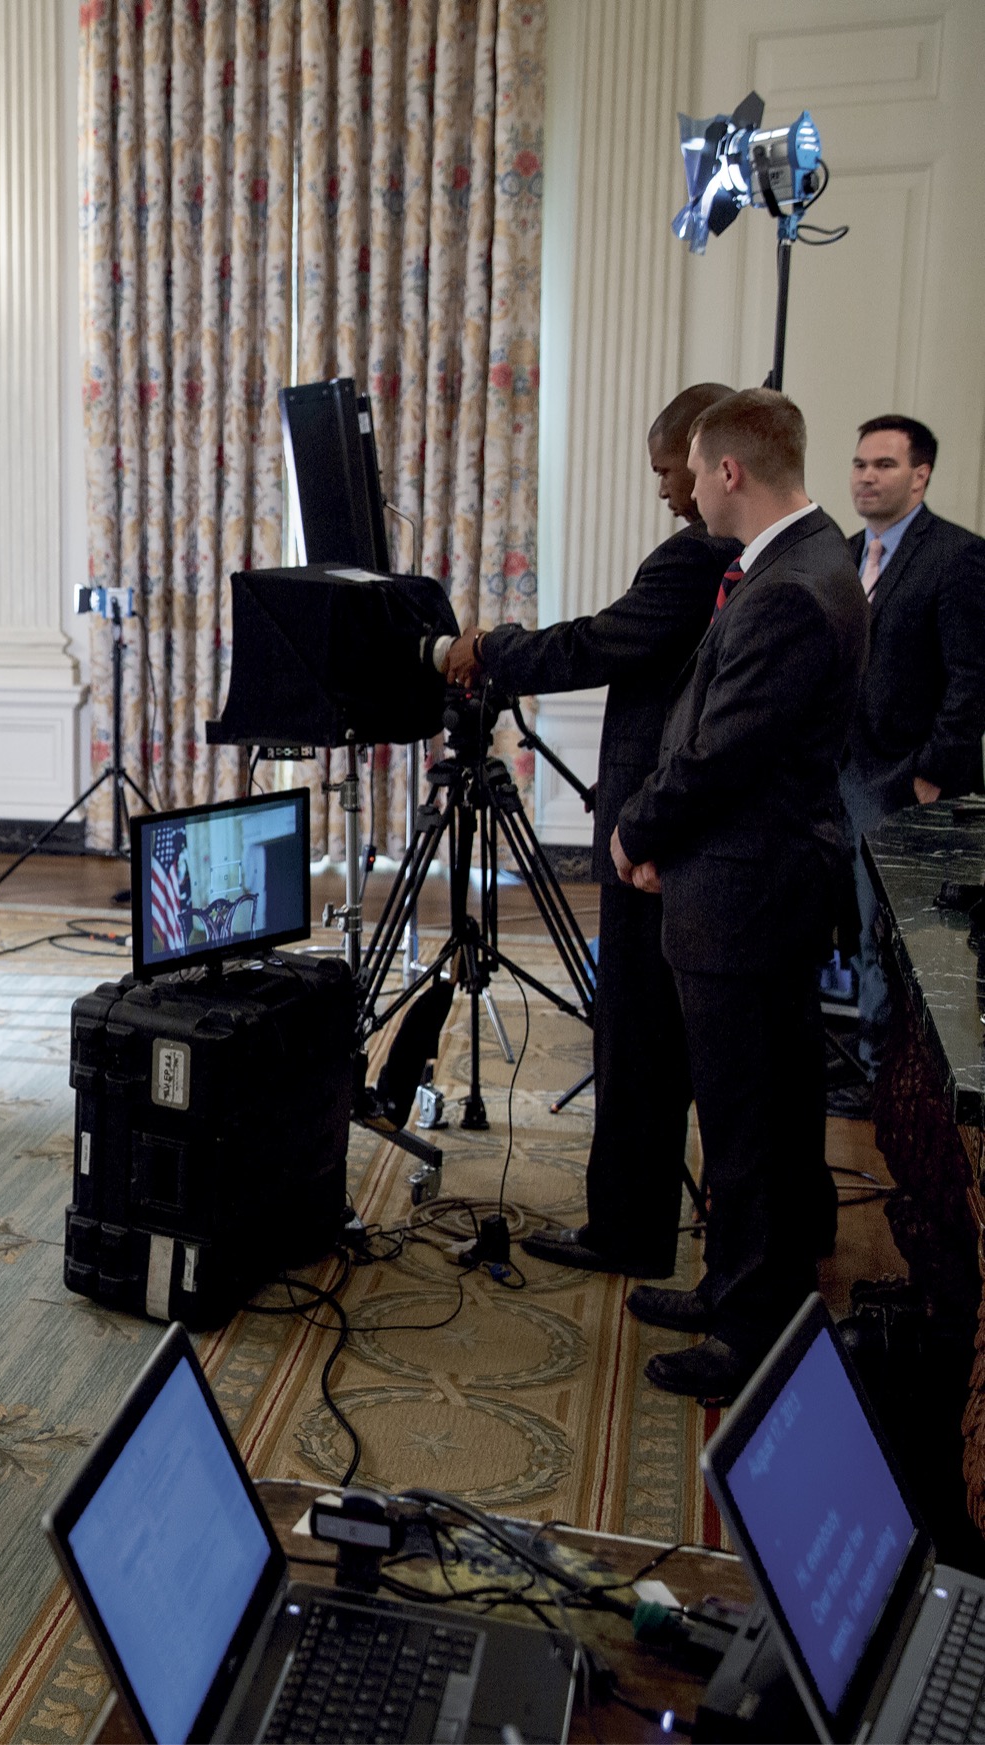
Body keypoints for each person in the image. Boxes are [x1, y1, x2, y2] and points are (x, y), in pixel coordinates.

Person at [438, 384, 739, 1279]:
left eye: (663, 470)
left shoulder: (700, 556)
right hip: (688, 834)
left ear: (700, 452)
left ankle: (625, 1229)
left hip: (656, 829)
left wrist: (491, 647)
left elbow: (602, 644)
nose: (662, 490)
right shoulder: (744, 554)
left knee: (636, 1033)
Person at [610, 389, 867, 1400]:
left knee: (747, 1116)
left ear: (729, 471)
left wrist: (638, 827)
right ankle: (733, 1282)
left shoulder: (791, 588)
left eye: (692, 470)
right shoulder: (804, 563)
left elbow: (724, 751)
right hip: (757, 880)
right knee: (760, 1102)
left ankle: (749, 1331)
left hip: (745, 892)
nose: (685, 494)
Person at [839, 415, 985, 1073]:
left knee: (891, 941)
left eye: (884, 465)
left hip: (904, 783)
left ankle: (884, 1080)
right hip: (834, 776)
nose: (866, 476)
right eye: (859, 464)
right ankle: (853, 1056)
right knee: (842, 930)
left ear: (919, 475)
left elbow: (971, 678)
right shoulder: (842, 553)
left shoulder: (956, 556)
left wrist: (931, 774)